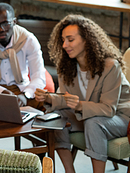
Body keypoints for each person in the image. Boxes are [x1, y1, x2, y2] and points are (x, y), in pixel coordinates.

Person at [35, 14, 130, 173]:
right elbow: (67, 101)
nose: (65, 45)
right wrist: (48, 98)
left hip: (119, 117)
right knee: (56, 117)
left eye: (70, 40)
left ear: (87, 40)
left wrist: (79, 105)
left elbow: (108, 109)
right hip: (88, 115)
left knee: (94, 123)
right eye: (63, 40)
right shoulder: (67, 67)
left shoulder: (110, 66)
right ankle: (69, 171)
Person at [0, 2, 46, 108]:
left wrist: (25, 95)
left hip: (22, 89)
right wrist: (2, 92)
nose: (1, 29)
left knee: (46, 107)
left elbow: (39, 76)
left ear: (14, 22)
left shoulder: (28, 40)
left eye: (6, 24)